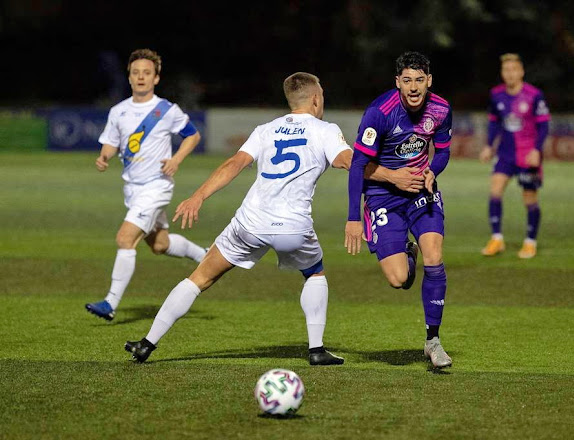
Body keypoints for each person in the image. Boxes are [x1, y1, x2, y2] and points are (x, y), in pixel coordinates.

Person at [123, 72, 421, 365]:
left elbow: (234, 163)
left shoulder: (266, 128)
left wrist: (198, 196)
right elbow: (349, 162)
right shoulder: (325, 130)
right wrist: (393, 176)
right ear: (316, 99)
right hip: (293, 228)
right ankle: (316, 349)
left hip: (250, 223)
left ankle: (147, 343)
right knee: (314, 273)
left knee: (199, 278)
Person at [345, 51, 453, 369]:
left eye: (420, 79)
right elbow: (358, 165)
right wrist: (353, 218)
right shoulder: (380, 112)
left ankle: (433, 341)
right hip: (381, 197)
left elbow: (443, 152)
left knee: (434, 257)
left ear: (429, 81)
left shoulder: (441, 109)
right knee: (398, 279)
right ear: (398, 82)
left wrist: (434, 170)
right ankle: (407, 253)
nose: (414, 86)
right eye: (407, 80)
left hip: (422, 192)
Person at [85, 48, 207, 321]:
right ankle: (206, 255)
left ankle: (110, 302)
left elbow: (192, 136)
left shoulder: (166, 110)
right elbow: (111, 142)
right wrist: (104, 156)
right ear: (129, 77)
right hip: (132, 188)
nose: (141, 77)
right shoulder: (118, 111)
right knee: (160, 245)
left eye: (147, 73)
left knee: (125, 238)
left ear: (156, 78)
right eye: (136, 72)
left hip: (157, 186)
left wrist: (176, 159)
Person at [479, 53, 551, 259]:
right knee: (495, 191)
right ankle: (497, 239)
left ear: (521, 72)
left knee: (529, 199)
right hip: (505, 154)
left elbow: (544, 125)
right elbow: (494, 123)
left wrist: (537, 150)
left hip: (528, 155)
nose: (509, 74)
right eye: (505, 70)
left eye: (513, 70)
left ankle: (530, 242)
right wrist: (488, 146)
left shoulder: (534, 94)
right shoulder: (496, 95)